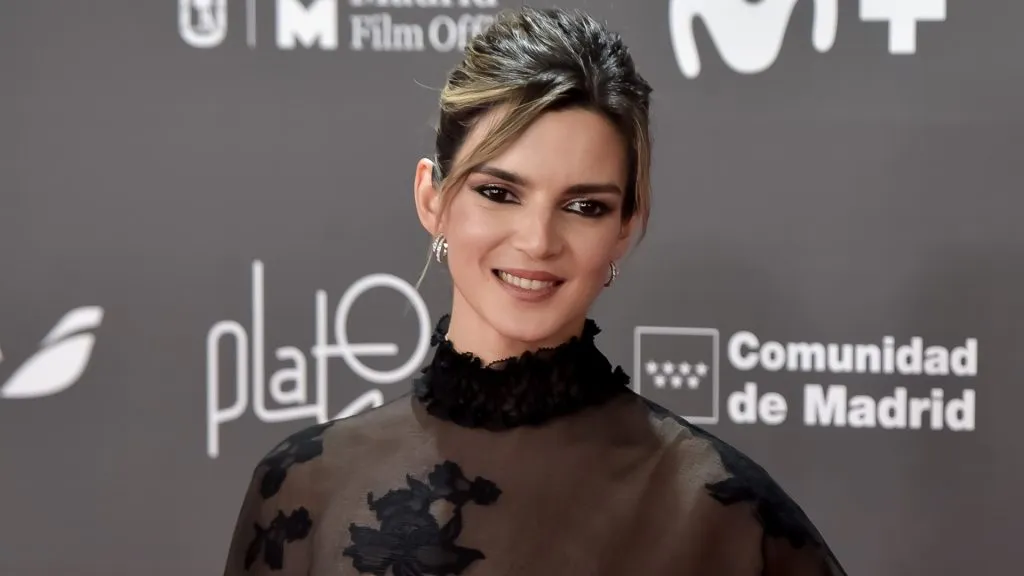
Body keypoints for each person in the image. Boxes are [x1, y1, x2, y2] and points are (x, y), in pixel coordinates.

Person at [221, 7, 848, 576]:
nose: (538, 240)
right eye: (499, 193)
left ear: (626, 227)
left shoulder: (719, 513)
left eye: (583, 206)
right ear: (432, 198)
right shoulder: (305, 488)